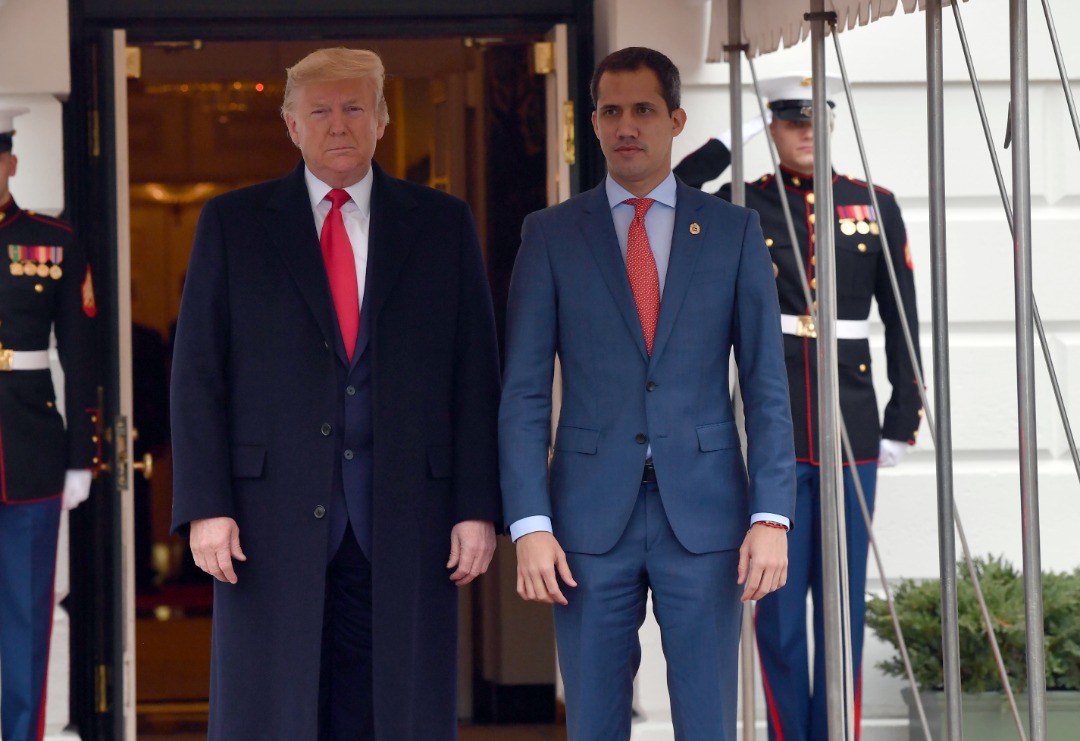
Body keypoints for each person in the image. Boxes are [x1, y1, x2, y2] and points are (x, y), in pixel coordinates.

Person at [169, 48, 502, 740]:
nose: (338, 124)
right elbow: (198, 375)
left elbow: (475, 376)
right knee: (276, 711)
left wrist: (477, 506)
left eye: (355, 107)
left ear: (382, 120)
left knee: (394, 712)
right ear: (291, 125)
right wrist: (205, 506)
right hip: (266, 521)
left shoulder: (441, 224)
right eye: (320, 110)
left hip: (407, 515)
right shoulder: (233, 224)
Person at [499, 47, 797, 740]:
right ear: (595, 123)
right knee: (594, 723)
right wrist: (530, 525)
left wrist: (772, 515)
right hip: (582, 526)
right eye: (611, 110)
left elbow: (766, 387)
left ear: (676, 119)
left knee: (708, 720)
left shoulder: (733, 230)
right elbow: (523, 395)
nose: (625, 125)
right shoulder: (550, 235)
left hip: (707, 518)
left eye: (642, 109)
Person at [674, 74, 923, 741]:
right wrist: (732, 140)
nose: (807, 130)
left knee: (839, 608)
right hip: (772, 423)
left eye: (817, 118)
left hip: (852, 423)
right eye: (789, 120)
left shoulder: (873, 203)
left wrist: (905, 415)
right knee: (777, 610)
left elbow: (902, 317)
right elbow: (674, 193)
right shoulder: (743, 205)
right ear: (773, 126)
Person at [0, 107, 99, 741]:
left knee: (25, 617)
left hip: (29, 450)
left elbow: (82, 352)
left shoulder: (52, 241)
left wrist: (80, 455)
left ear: (9, 163)